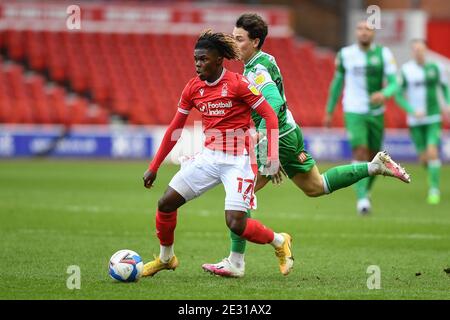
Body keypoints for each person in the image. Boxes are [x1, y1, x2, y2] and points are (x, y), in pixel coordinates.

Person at [201, 13, 410, 278]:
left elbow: (273, 104)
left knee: (240, 195)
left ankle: (238, 261)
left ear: (255, 41)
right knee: (316, 186)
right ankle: (374, 166)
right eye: (234, 37)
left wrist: (268, 146)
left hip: (278, 135)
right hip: (289, 131)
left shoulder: (257, 70)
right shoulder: (262, 61)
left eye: (240, 38)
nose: (235, 42)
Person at [141, 29, 294, 277]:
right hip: (209, 157)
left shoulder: (238, 84)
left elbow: (269, 114)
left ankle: (279, 240)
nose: (198, 65)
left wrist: (272, 155)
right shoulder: (193, 88)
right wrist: (154, 166)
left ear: (219, 60)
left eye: (204, 59)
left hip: (239, 161)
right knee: (166, 204)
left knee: (236, 223)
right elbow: (175, 128)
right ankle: (166, 258)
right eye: (196, 60)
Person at [324, 20, 400, 214]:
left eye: (368, 29)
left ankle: (365, 190)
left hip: (376, 113)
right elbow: (337, 82)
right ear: (356, 32)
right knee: (360, 151)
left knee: (376, 156)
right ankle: (362, 199)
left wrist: (385, 93)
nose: (364, 32)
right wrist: (329, 110)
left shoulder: (384, 54)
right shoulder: (345, 54)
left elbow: (394, 82)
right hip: (353, 110)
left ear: (373, 33)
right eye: (360, 28)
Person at [395, 39, 450, 204]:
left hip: (433, 117)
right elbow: (398, 96)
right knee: (424, 159)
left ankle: (434, 189)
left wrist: (447, 104)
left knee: (432, 152)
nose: (419, 52)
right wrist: (412, 111)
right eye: (416, 50)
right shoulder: (406, 70)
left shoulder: (436, 68)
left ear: (425, 51)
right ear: (412, 52)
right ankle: (431, 172)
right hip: (415, 121)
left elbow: (445, 87)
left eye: (421, 49)